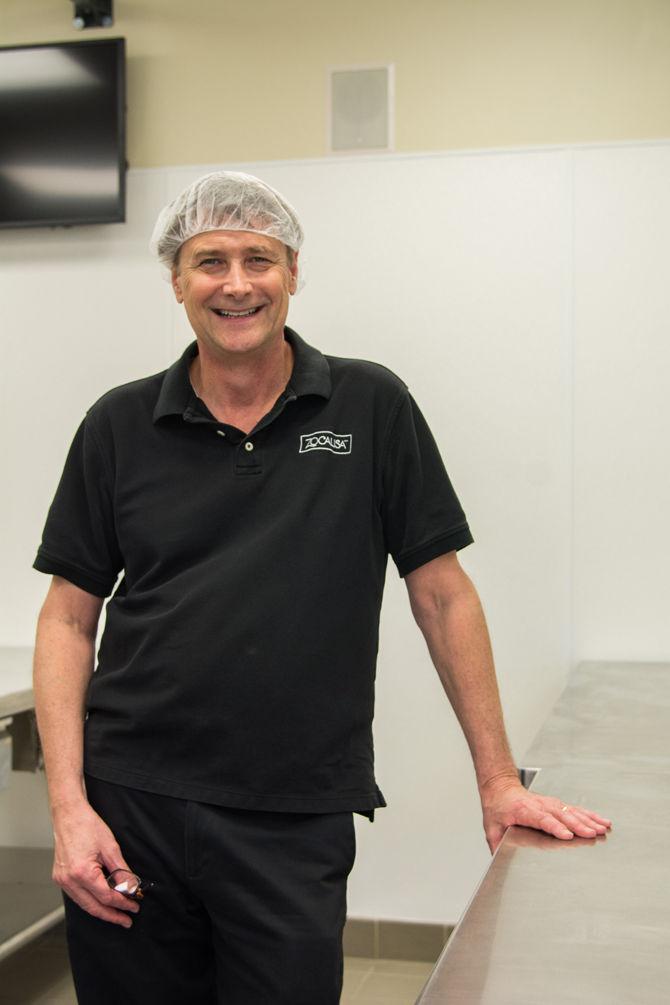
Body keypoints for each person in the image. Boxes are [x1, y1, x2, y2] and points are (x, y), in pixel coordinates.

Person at [32, 171, 611, 1005]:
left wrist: (498, 778)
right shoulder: (118, 425)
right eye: (209, 261)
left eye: (258, 259)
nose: (236, 284)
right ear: (176, 281)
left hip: (291, 814)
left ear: (293, 272)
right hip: (129, 812)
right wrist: (69, 806)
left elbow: (443, 595)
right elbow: (67, 618)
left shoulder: (370, 405)